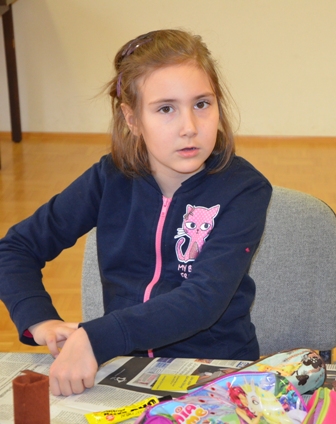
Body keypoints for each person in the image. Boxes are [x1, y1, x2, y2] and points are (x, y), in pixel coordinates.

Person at [0, 29, 272, 395]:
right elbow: (14, 249)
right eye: (165, 109)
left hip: (215, 375)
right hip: (122, 371)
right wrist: (40, 320)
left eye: (202, 104)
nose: (189, 127)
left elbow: (203, 300)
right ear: (131, 119)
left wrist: (96, 337)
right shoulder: (108, 178)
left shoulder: (245, 189)